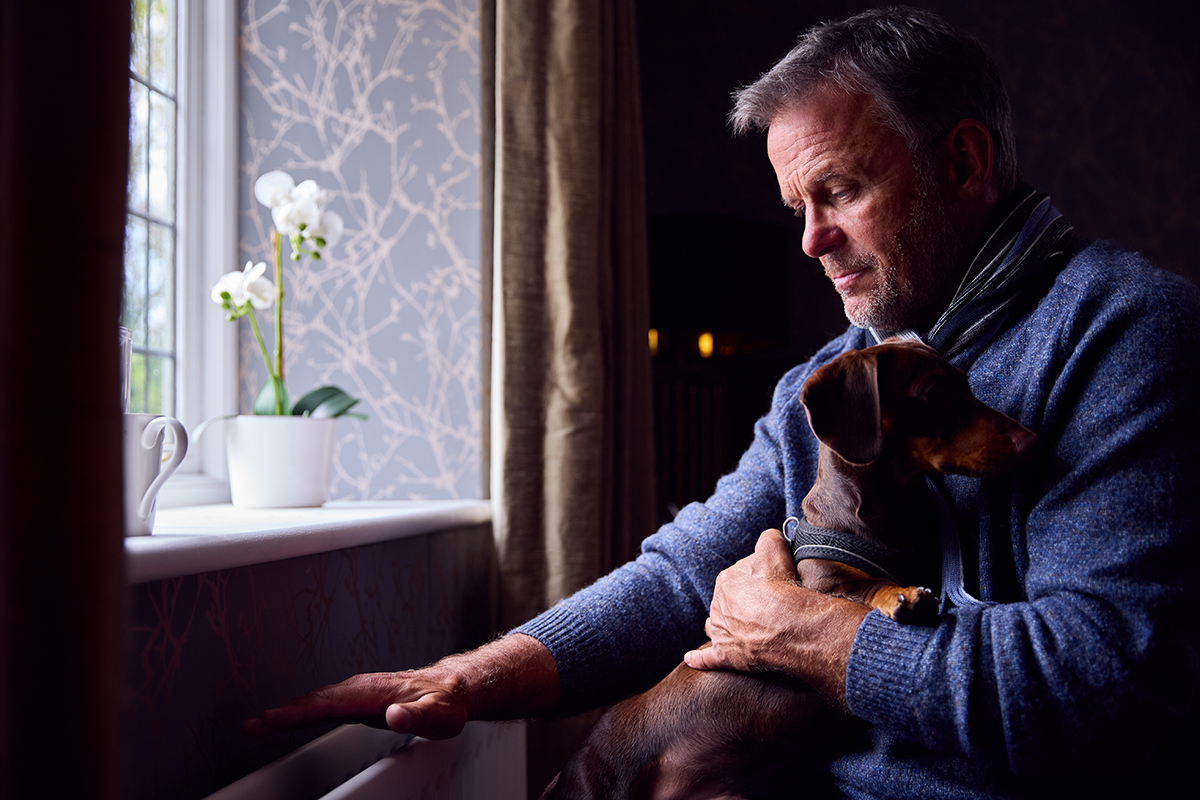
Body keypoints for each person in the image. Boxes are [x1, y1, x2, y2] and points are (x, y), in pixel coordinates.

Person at [244, 7, 1200, 796]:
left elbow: (1101, 686)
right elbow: (678, 580)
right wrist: (465, 678)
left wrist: (815, 634)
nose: (811, 242)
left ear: (962, 161)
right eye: (799, 209)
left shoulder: (1131, 335)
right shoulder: (825, 386)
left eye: (841, 191)